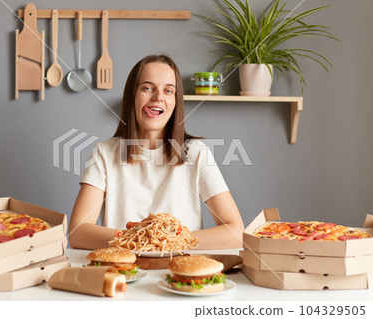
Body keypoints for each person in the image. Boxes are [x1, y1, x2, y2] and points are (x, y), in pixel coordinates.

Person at [69, 55, 244, 250]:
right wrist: (141, 238)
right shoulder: (105, 152)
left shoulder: (196, 152)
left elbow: (235, 231)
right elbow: (78, 232)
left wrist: (169, 241)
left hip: (179, 272)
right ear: (132, 96)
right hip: (123, 271)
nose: (158, 97)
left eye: (168, 90)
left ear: (175, 101)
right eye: (147, 88)